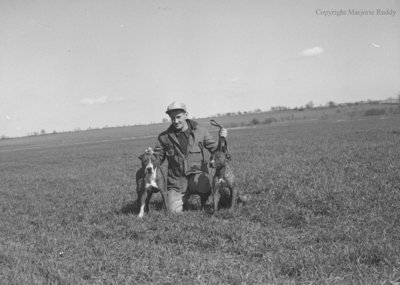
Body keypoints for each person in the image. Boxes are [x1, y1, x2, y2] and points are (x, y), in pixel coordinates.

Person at [155, 101, 227, 213]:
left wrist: (222, 140)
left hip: (197, 177)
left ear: (186, 114)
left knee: (204, 183)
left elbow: (216, 151)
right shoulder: (164, 137)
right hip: (177, 182)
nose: (175, 121)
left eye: (178, 117)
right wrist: (150, 158)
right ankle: (183, 199)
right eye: (172, 118)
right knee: (173, 211)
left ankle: (205, 200)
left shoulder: (201, 131)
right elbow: (158, 158)